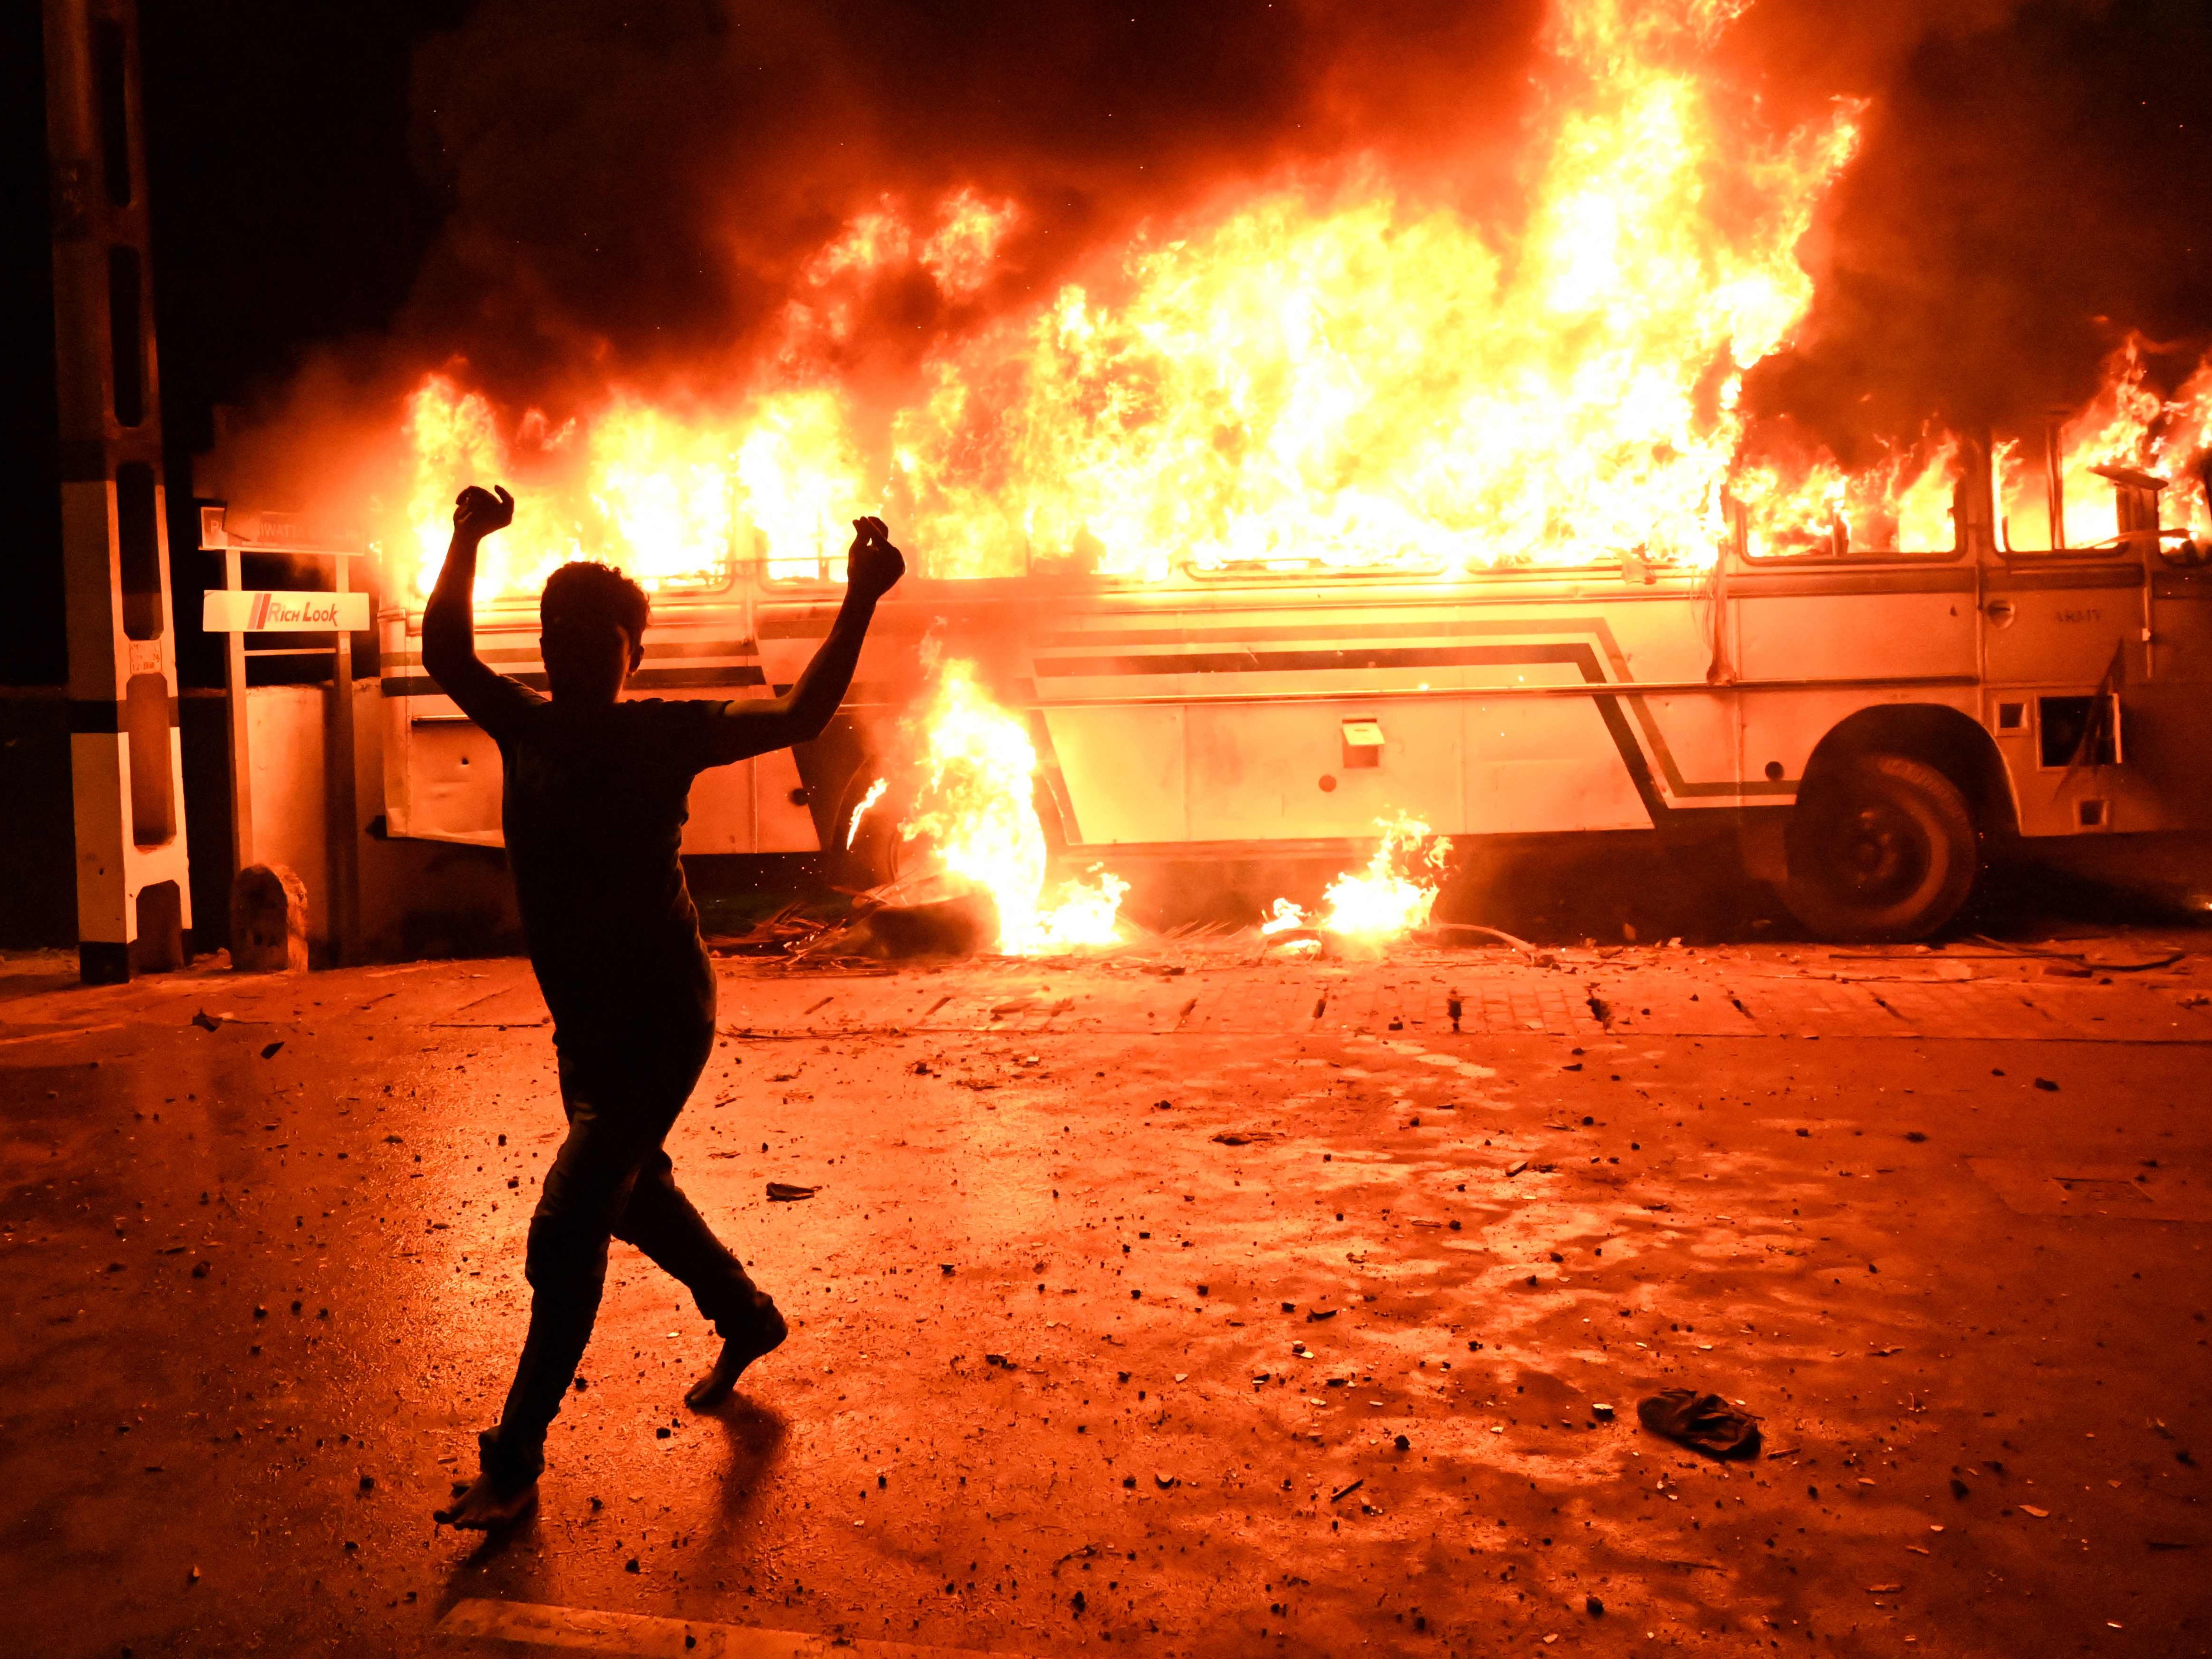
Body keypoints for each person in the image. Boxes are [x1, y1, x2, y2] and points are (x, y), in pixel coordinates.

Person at [422, 484, 904, 1529]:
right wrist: (464, 541)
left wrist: (860, 598)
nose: (572, 651)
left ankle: (516, 1461)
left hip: (658, 1020)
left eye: (598, 636)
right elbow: (449, 656)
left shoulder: (663, 736)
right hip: (588, 1027)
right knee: (633, 1195)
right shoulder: (528, 728)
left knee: (567, 1230)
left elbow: (801, 714)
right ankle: (748, 1315)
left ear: (631, 652)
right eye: (557, 633)